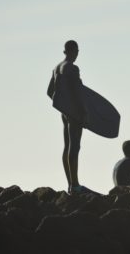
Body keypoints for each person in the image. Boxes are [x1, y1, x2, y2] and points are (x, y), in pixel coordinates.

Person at [47, 40, 92, 194]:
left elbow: (50, 92)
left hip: (65, 113)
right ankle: (75, 184)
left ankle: (71, 184)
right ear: (73, 51)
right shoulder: (72, 68)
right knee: (75, 147)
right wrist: (84, 112)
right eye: (77, 51)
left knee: (67, 147)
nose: (77, 54)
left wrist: (63, 105)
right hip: (75, 113)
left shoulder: (56, 68)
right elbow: (77, 92)